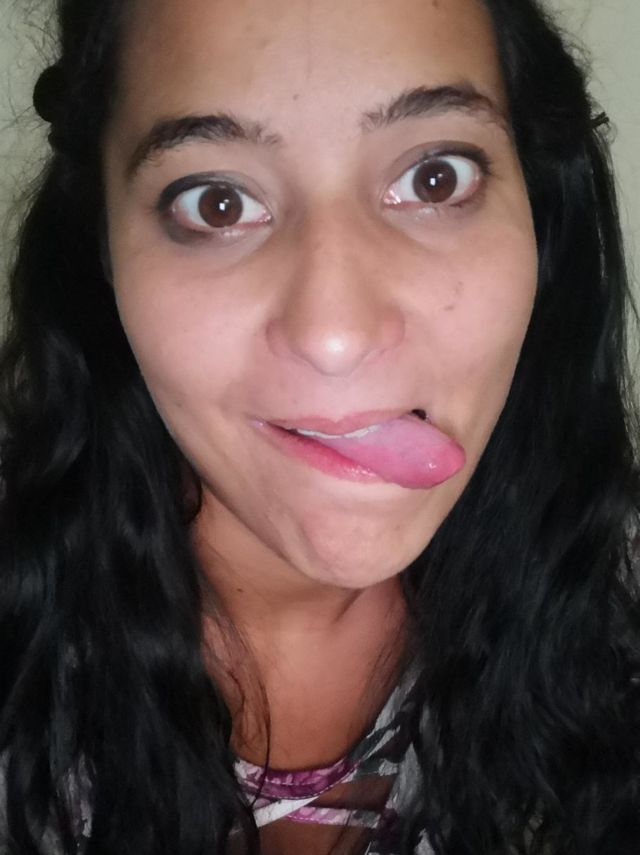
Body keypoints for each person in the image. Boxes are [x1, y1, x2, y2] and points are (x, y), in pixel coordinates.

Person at [0, 0, 638, 852]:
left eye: (435, 178)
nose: (336, 335)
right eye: (216, 202)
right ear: (103, 248)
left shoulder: (613, 612)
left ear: (538, 209)